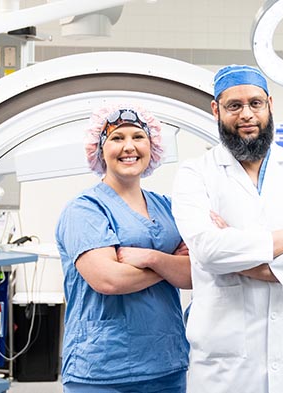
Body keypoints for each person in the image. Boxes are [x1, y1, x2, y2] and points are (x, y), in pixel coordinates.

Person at [171, 64, 283, 393]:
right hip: (224, 365)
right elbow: (207, 250)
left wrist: (246, 259)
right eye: (234, 106)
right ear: (216, 110)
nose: (246, 114)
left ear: (270, 105)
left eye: (255, 103)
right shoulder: (195, 174)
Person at [55, 104, 191, 393]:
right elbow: (108, 279)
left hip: (166, 365)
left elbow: (195, 272)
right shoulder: (85, 210)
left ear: (151, 146)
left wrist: (150, 258)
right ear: (100, 149)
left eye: (138, 137)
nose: (129, 146)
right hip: (102, 369)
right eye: (117, 138)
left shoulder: (168, 208)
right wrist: (168, 265)